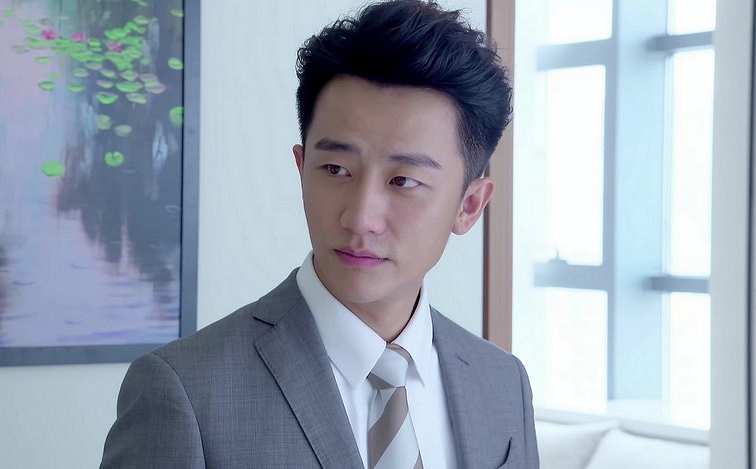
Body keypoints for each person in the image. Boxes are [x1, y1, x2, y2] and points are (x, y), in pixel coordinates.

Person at [100, 1, 538, 467]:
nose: (360, 217)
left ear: (469, 206)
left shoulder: (502, 384)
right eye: (336, 169)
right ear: (301, 167)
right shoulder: (184, 392)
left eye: (403, 181)